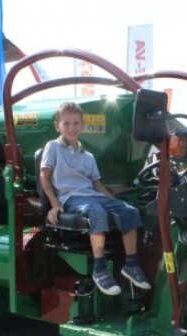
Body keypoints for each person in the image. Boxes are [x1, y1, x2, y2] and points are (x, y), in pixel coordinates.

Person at [40, 101, 152, 296]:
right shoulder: (53, 147)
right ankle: (100, 269)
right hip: (71, 198)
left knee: (129, 211)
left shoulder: (88, 156)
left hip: (93, 196)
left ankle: (131, 265)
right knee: (96, 212)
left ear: (82, 126)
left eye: (76, 123)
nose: (71, 128)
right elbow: (44, 176)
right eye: (66, 124)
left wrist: (114, 203)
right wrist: (54, 205)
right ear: (57, 125)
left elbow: (97, 185)